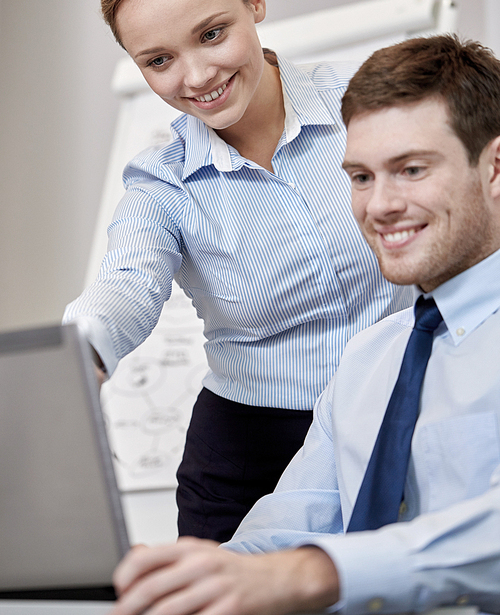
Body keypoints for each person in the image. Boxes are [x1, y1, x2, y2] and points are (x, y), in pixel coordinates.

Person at [108, 34, 500, 615]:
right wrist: (195, 578)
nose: (380, 205)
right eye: (362, 177)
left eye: (411, 169)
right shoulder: (371, 358)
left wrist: (317, 573)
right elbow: (291, 525)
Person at [63, 0, 410, 541]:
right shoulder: (163, 183)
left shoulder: (371, 109)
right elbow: (126, 287)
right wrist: (74, 357)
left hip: (398, 415)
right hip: (249, 456)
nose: (196, 77)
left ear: (255, 0)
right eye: (160, 59)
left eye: (213, 33)